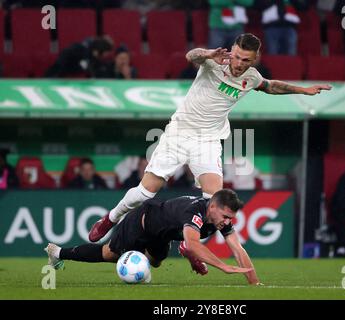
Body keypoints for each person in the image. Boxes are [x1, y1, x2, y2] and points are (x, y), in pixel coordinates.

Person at [88, 33, 331, 243]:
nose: (237, 63)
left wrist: (304, 90)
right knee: (146, 192)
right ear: (231, 51)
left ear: (254, 59)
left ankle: (189, 242)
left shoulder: (252, 77)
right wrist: (206, 54)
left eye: (245, 60)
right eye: (236, 56)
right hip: (180, 133)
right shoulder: (215, 62)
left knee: (215, 202)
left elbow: (270, 86)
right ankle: (110, 219)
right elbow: (190, 57)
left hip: (208, 141)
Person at [45, 189, 262, 285]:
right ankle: (57, 252)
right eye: (225, 216)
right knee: (108, 253)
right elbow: (196, 243)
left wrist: (254, 283)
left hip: (161, 236)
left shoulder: (219, 218)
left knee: (157, 262)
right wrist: (223, 266)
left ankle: (180, 253)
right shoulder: (194, 212)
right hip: (141, 223)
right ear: (213, 206)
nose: (227, 222)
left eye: (230, 218)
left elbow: (237, 249)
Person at [45, 36, 114, 78]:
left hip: (73, 82)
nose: (106, 56)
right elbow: (60, 62)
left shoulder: (96, 61)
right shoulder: (78, 49)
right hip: (57, 77)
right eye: (106, 53)